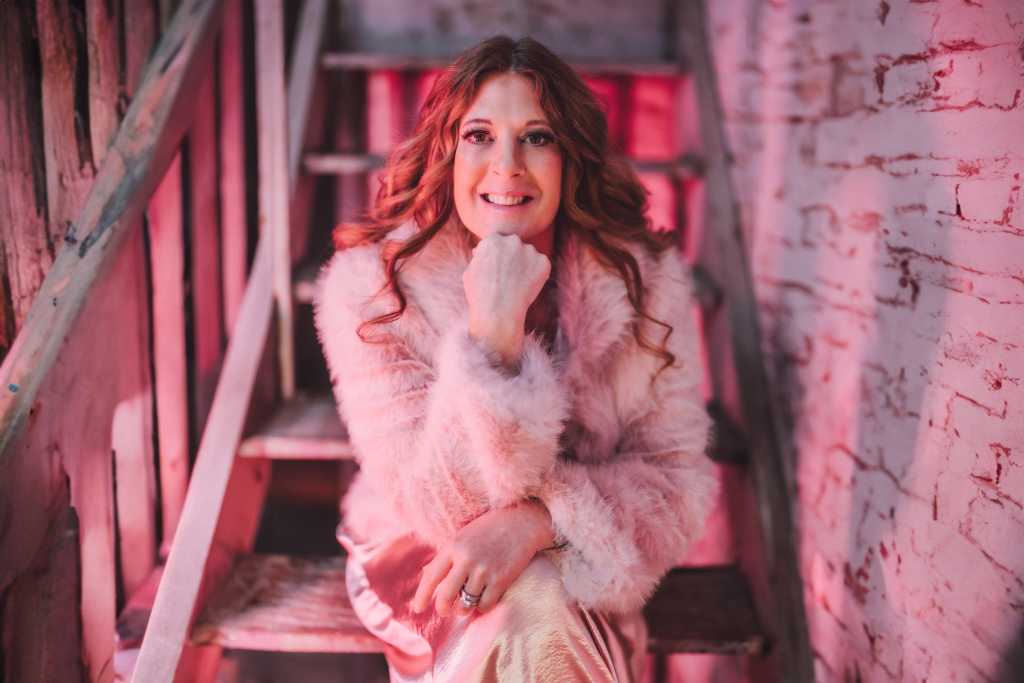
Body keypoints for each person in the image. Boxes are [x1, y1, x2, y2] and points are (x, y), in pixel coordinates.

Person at [313, 34, 719, 682]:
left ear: (569, 157)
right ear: (447, 150)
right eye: (479, 135)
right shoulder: (371, 289)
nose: (507, 165)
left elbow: (677, 483)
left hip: (585, 561)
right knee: (529, 606)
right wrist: (492, 338)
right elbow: (441, 505)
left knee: (541, 599)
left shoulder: (646, 281)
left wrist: (544, 519)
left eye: (537, 137)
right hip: (427, 559)